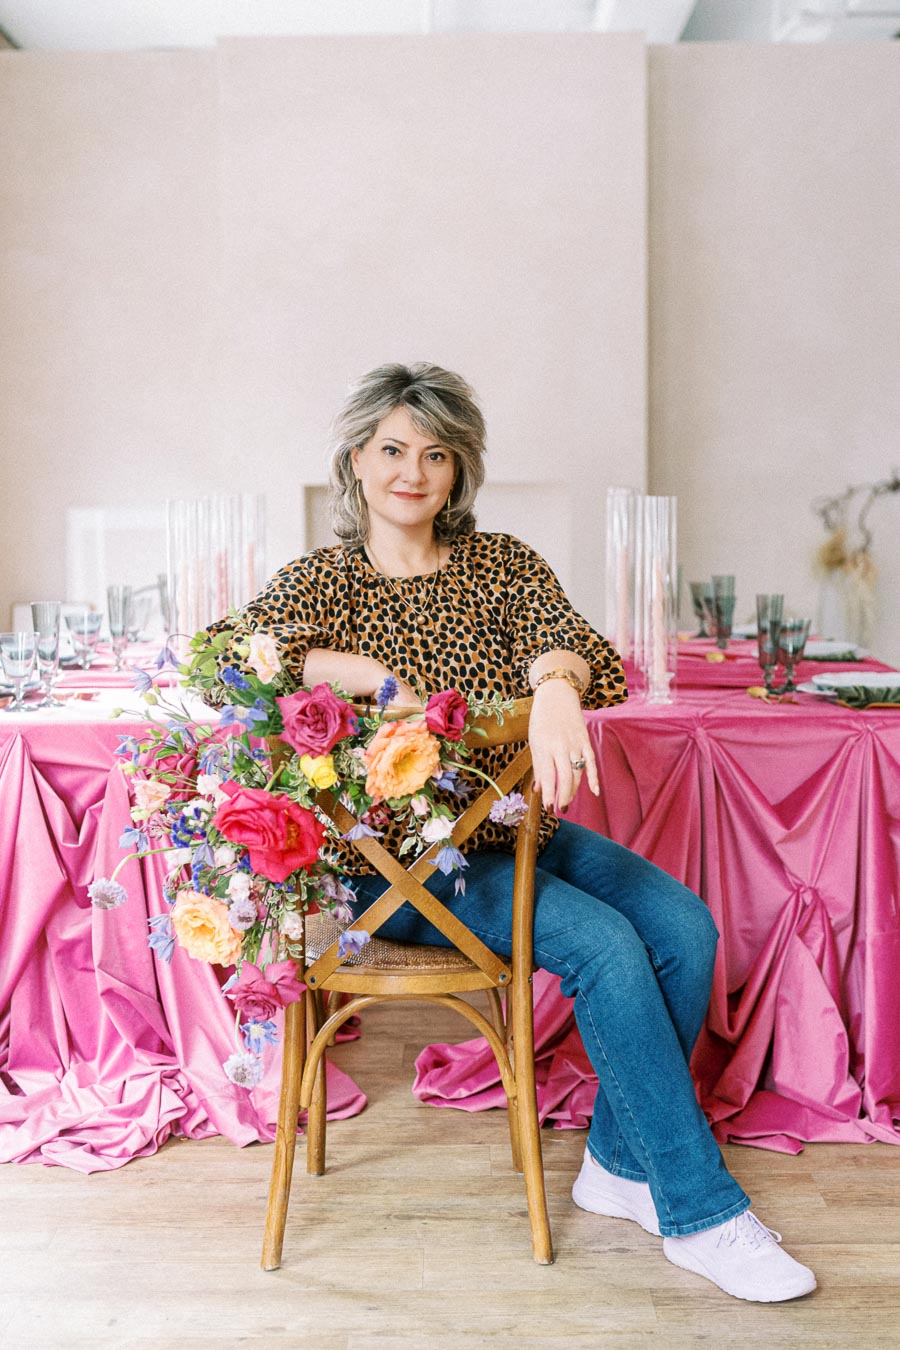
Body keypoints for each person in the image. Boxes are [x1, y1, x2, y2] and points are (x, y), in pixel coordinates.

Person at [220, 362, 816, 1304]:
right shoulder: (321, 582)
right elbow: (224, 660)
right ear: (355, 459)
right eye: (392, 449)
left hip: (504, 834)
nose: (413, 471)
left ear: (459, 472)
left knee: (685, 927)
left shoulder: (501, 564)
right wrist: (357, 671)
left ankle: (620, 1167)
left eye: (437, 454)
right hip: (393, 869)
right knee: (609, 949)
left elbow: (583, 648)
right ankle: (702, 1212)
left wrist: (550, 684)